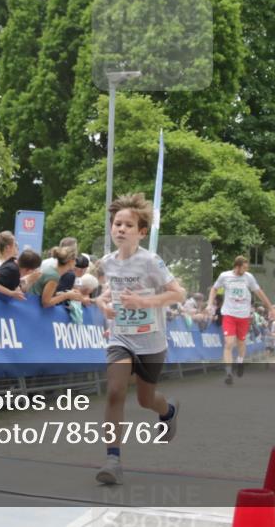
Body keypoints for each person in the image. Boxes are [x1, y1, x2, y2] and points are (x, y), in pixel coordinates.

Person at [94, 193, 184, 485]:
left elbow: (178, 294)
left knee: (146, 399)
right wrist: (104, 303)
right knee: (116, 390)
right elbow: (105, 294)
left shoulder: (151, 262)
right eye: (117, 223)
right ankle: (113, 459)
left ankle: (167, 410)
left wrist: (145, 304)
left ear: (141, 232)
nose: (120, 229)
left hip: (151, 341)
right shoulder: (107, 263)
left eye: (128, 225)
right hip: (121, 337)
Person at [208, 255, 274, 385]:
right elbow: (214, 289)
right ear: (237, 266)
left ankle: (240, 361)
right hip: (229, 314)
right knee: (228, 343)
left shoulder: (248, 277)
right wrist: (210, 303)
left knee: (241, 343)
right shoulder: (225, 276)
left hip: (243, 316)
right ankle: (228, 373)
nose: (246, 269)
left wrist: (270, 307)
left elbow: (259, 292)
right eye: (244, 267)